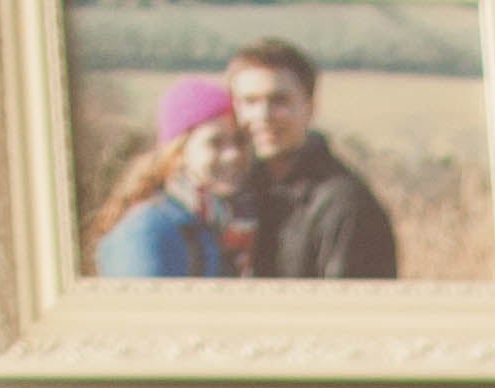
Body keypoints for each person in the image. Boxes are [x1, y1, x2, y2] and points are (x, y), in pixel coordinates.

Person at [225, 35, 397, 279]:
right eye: (250, 101)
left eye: (279, 100)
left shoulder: (345, 207)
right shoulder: (235, 194)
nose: (263, 115)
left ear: (310, 107)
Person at [89, 78, 250, 276]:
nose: (233, 154)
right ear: (179, 153)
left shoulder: (215, 224)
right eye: (215, 143)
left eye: (239, 141)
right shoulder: (146, 232)